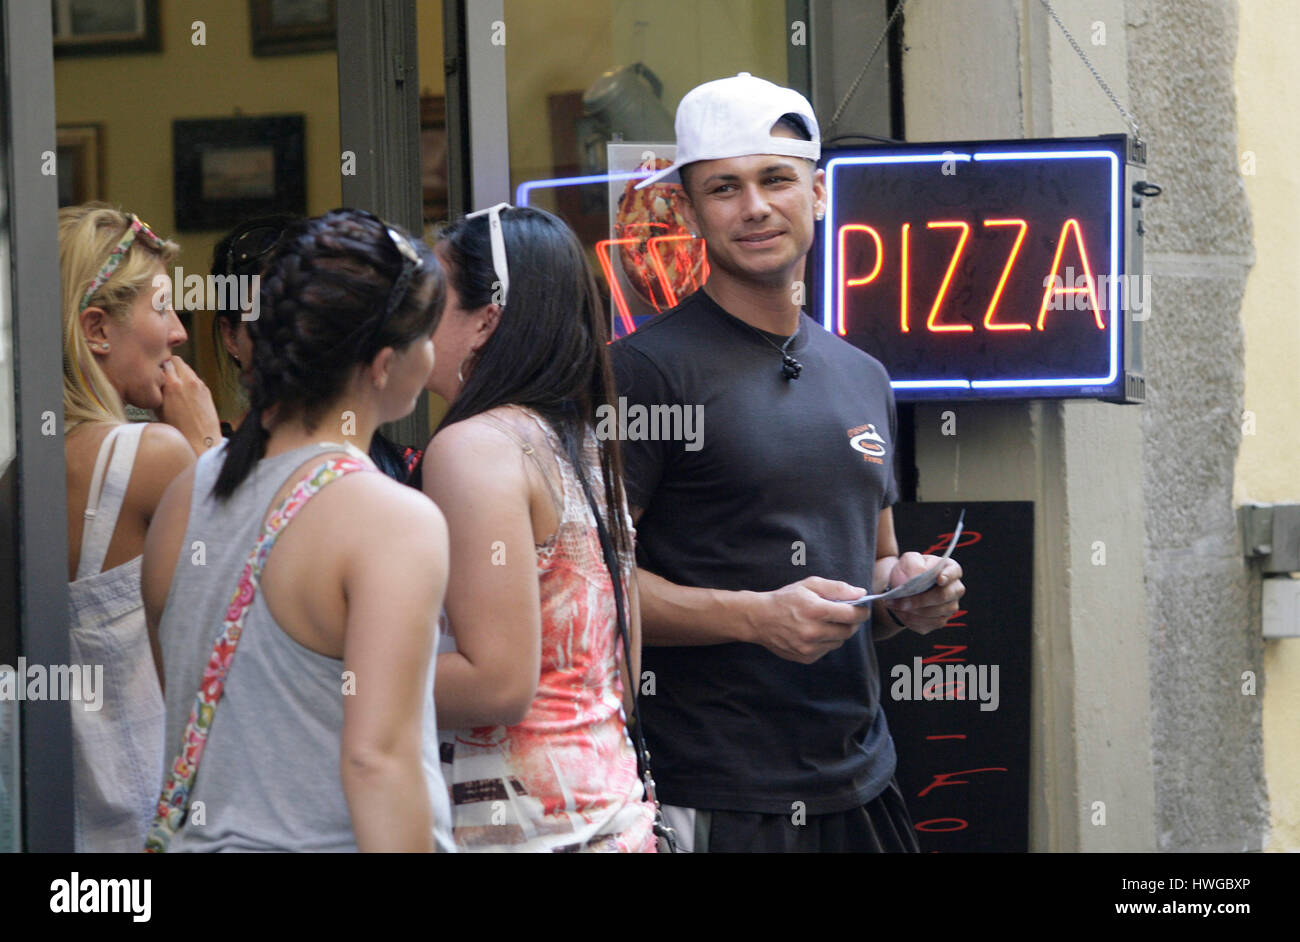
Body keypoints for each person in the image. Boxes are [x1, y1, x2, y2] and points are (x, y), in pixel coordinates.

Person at [611, 73, 966, 853]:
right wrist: (755, 616)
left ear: (820, 192)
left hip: (865, 781)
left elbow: (870, 561)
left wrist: (906, 590)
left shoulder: (863, 374)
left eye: (776, 179)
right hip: (718, 793)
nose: (755, 207)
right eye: (724, 188)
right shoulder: (644, 371)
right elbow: (594, 589)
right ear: (692, 210)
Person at [141, 209, 455, 852]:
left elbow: (185, 694)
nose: (435, 352)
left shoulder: (186, 494)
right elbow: (379, 761)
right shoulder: (388, 520)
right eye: (428, 334)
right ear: (384, 364)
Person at [420, 204, 656, 852]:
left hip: (527, 833)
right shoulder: (580, 445)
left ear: (485, 321)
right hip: (612, 818)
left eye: (431, 303)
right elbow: (625, 678)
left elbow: (497, 683)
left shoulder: (473, 447)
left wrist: (326, 668)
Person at [60, 203, 222, 852]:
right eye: (164, 309)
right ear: (96, 329)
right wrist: (207, 445)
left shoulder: (24, 466)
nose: (181, 333)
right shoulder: (151, 455)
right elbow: (242, 608)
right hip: (148, 818)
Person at [209, 215, 426, 483]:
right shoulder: (198, 460)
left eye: (315, 312)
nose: (298, 331)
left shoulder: (412, 472)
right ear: (231, 336)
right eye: (271, 316)